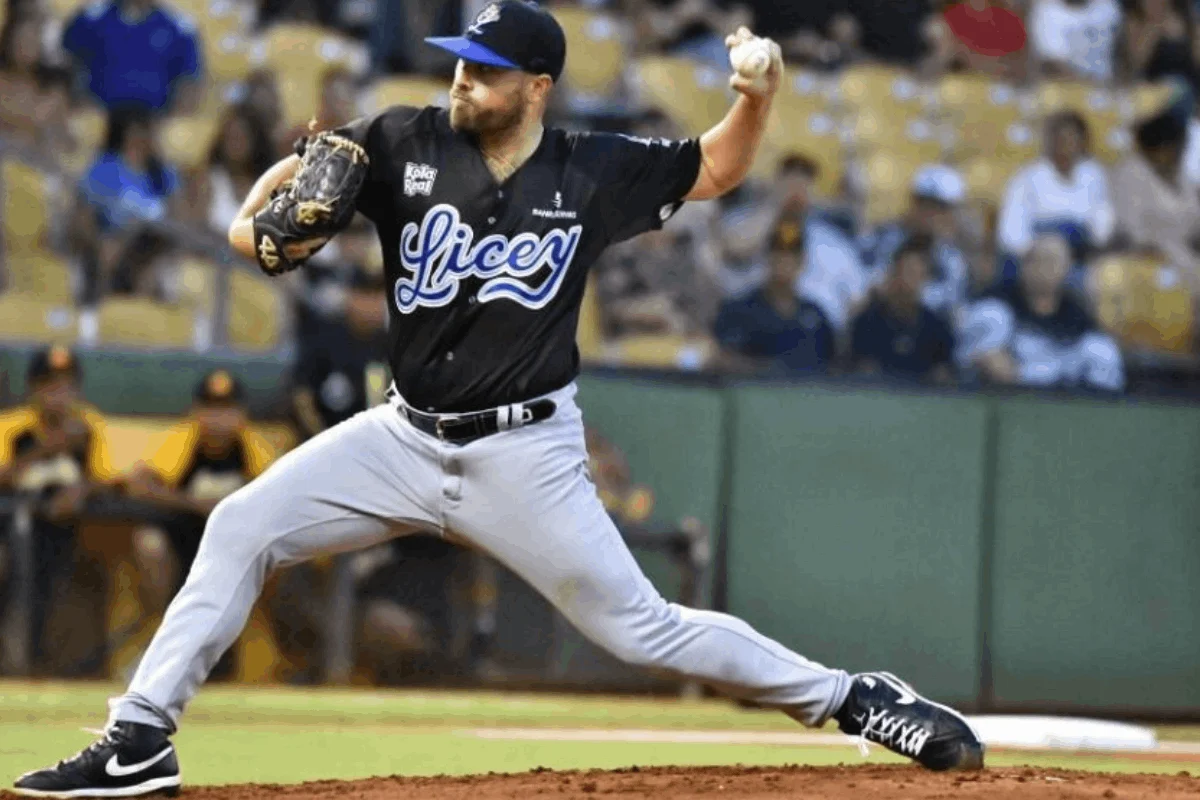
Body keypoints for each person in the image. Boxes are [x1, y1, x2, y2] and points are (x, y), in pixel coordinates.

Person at [13, 4, 983, 796]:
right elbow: (258, 237)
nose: (462, 80)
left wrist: (754, 97)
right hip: (400, 436)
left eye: (485, 70)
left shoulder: (590, 168)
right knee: (239, 524)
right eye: (460, 63)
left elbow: (718, 168)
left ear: (536, 86)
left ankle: (854, 697)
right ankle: (140, 738)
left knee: (642, 628)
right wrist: (274, 197)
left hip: (526, 453)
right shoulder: (401, 140)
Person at [119, 371, 277, 681]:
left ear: (241, 414)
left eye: (227, 409)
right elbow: (138, 484)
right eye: (211, 409)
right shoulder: (183, 440)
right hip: (180, 538)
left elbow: (279, 495)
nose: (218, 419)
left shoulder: (251, 448)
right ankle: (158, 640)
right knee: (149, 543)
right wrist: (194, 503)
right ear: (196, 411)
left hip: (233, 554)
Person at [0, 346, 117, 676]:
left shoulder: (89, 426)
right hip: (11, 531)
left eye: (66, 386)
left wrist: (81, 490)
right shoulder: (12, 426)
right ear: (33, 389)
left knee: (72, 588)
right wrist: (45, 449)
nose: (58, 395)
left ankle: (47, 668)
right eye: (49, 385)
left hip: (67, 532)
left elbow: (111, 478)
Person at [956, 234, 1124, 392]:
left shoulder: (1077, 316)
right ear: (1023, 265)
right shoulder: (995, 307)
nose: (1043, 269)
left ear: (1067, 268)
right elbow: (990, 363)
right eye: (1036, 260)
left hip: (1063, 395)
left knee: (1101, 349)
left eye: (1052, 262)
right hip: (1006, 398)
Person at [713, 217, 835, 374]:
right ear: (767, 258)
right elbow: (724, 360)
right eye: (778, 254)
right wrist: (769, 370)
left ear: (802, 262)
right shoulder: (740, 311)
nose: (784, 262)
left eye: (791, 255)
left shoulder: (815, 315)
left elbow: (834, 366)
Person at [997, 111, 1114, 261]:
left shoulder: (1093, 174)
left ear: (1082, 143)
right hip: (1040, 250)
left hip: (1081, 249)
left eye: (1072, 139)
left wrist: (1098, 243)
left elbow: (1103, 218)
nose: (1066, 145)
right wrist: (1031, 252)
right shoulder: (1028, 176)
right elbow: (1012, 228)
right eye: (1061, 139)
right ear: (1050, 142)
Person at [859, 164, 971, 320]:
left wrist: (912, 291)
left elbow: (952, 298)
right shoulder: (883, 237)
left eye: (939, 208)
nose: (930, 214)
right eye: (924, 204)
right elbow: (863, 276)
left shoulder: (951, 258)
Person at [61, 0, 202, 114]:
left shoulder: (178, 28)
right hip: (100, 119)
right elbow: (67, 64)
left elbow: (188, 85)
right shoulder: (90, 19)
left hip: (154, 122)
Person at [850, 237, 957, 385]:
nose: (911, 281)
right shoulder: (868, 322)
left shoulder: (937, 328)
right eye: (908, 272)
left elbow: (944, 374)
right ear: (894, 274)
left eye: (919, 274)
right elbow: (861, 370)